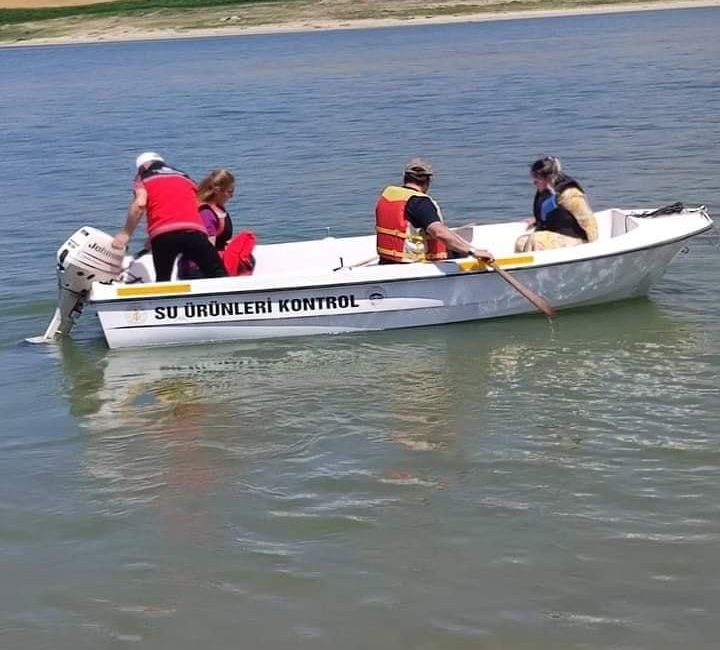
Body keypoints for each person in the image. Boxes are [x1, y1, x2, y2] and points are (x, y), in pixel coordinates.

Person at [111, 152, 227, 282]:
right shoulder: (184, 176)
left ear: (144, 166)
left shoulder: (143, 176)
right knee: (219, 276)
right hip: (194, 232)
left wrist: (125, 233)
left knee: (163, 281)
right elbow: (194, 203)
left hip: (163, 237)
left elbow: (140, 204)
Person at [375, 158, 494, 264]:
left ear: (405, 177)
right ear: (428, 180)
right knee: (460, 252)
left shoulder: (389, 195)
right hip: (412, 265)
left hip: (387, 260)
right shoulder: (420, 202)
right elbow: (439, 232)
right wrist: (473, 251)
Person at [515, 156, 598, 252]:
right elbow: (552, 212)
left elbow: (588, 222)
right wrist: (537, 220)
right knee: (521, 242)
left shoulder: (570, 194)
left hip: (575, 239)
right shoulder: (545, 191)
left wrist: (592, 248)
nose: (534, 182)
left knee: (537, 240)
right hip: (555, 235)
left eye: (537, 179)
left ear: (548, 178)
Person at [178, 168, 236, 279]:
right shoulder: (207, 214)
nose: (232, 196)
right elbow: (208, 248)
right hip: (198, 270)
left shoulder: (219, 210)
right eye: (230, 192)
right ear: (218, 190)